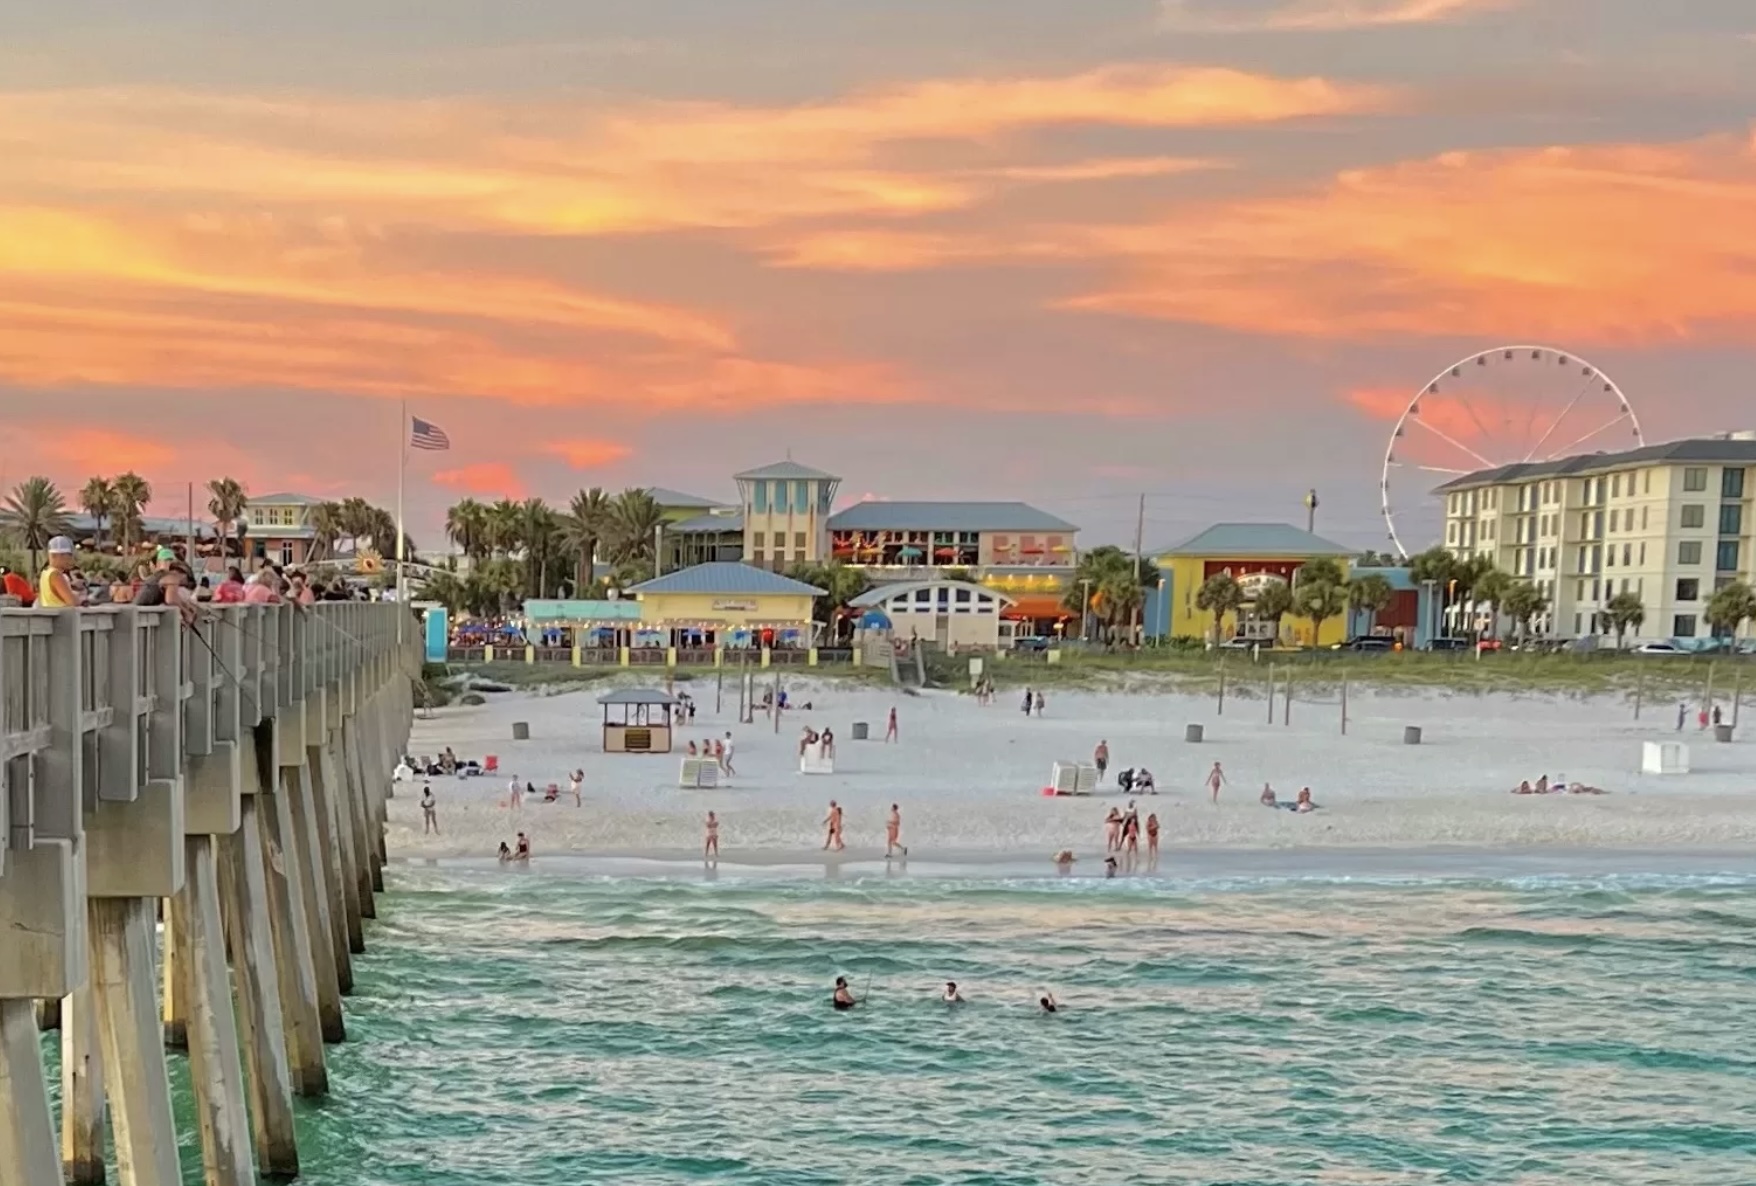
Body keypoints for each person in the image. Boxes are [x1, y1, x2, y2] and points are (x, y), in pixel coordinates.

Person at [38, 536, 82, 608]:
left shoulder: (45, 573)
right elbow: (72, 601)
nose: (70, 559)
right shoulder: (56, 574)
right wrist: (78, 598)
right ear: (58, 555)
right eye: (68, 555)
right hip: (61, 617)